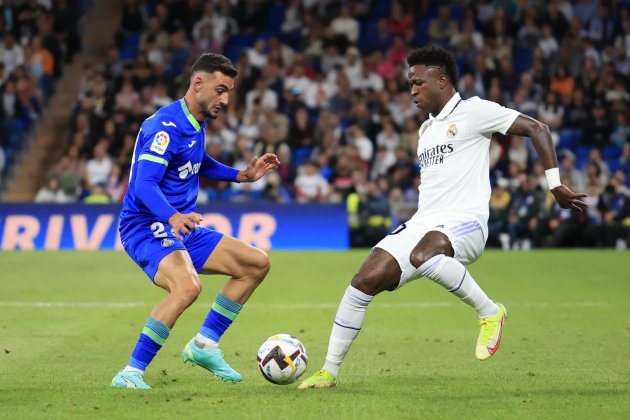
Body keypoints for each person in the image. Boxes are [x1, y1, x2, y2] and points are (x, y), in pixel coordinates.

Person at [298, 47, 588, 389]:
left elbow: (538, 128)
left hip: (467, 222)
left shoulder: (475, 111)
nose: (412, 91)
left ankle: (490, 312)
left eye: (418, 83)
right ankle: (329, 372)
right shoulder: (426, 131)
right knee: (362, 281)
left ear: (442, 80)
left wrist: (554, 184)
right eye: (410, 84)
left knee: (426, 255)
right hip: (426, 222)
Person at [111, 53, 280, 390]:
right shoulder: (165, 125)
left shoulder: (195, 121)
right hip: (146, 225)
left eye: (229, 92)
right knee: (187, 286)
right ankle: (130, 372)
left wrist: (241, 176)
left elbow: (197, 161)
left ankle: (204, 345)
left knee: (255, 264)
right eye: (220, 90)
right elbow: (143, 185)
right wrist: (173, 215)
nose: (226, 99)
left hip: (180, 227)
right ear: (198, 83)